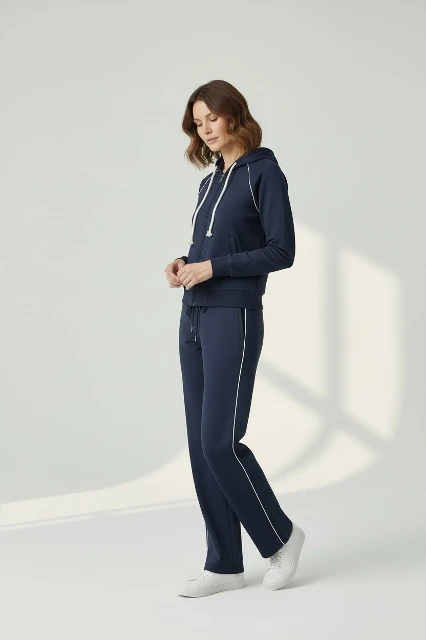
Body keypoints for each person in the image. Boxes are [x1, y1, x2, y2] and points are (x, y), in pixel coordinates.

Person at [165, 80, 305, 598]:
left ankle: (281, 538)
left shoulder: (264, 172)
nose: (205, 128)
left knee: (219, 442)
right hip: (193, 316)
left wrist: (213, 267)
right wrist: (184, 264)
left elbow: (281, 250)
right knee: (200, 447)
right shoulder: (209, 183)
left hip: (233, 315)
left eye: (212, 118)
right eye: (197, 121)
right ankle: (223, 563)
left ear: (233, 115)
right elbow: (209, 249)